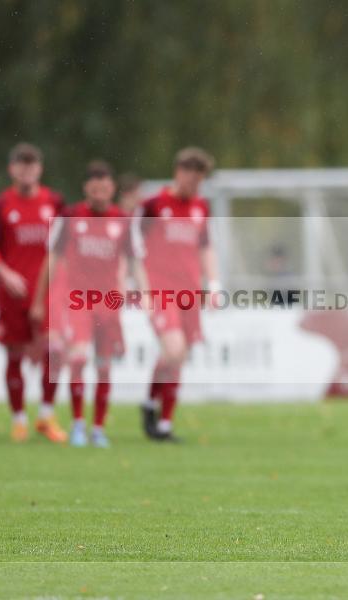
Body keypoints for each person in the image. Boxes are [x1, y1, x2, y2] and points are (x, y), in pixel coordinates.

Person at [31, 160, 147, 448]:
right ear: (86, 188)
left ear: (112, 189)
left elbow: (135, 261)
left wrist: (144, 293)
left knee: (104, 367)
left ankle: (98, 428)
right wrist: (40, 299)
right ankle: (78, 425)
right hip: (78, 302)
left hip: (108, 304)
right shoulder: (70, 217)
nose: (99, 194)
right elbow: (52, 258)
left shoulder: (124, 221)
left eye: (104, 189)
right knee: (78, 359)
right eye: (94, 189)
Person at [136, 147, 219, 441]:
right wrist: (143, 290)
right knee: (174, 349)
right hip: (160, 291)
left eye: (199, 181)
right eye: (190, 179)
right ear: (178, 173)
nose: (194, 186)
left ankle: (161, 420)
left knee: (178, 355)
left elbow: (205, 247)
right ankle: (153, 410)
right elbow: (134, 250)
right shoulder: (153, 205)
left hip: (190, 292)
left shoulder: (201, 207)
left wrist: (214, 284)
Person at [0, 143, 67, 443]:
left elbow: (61, 249)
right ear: (12, 170)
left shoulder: (54, 202)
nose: (27, 172)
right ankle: (19, 420)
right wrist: (4, 272)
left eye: (32, 166)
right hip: (13, 293)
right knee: (15, 355)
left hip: (48, 291)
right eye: (21, 167)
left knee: (54, 350)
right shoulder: (1, 205)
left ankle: (46, 415)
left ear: (40, 169)